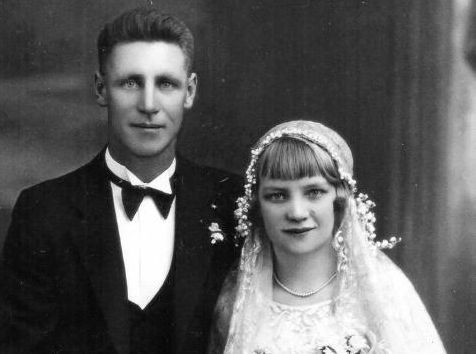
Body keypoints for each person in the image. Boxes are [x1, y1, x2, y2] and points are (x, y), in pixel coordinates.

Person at [0, 7, 241, 354]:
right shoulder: (43, 210)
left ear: (189, 92)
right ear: (101, 89)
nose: (148, 104)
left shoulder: (233, 201)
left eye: (166, 84)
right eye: (130, 82)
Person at [209, 120, 446, 353]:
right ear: (258, 206)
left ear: (339, 198)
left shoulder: (384, 293)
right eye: (277, 195)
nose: (297, 212)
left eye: (314, 192)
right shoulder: (238, 301)